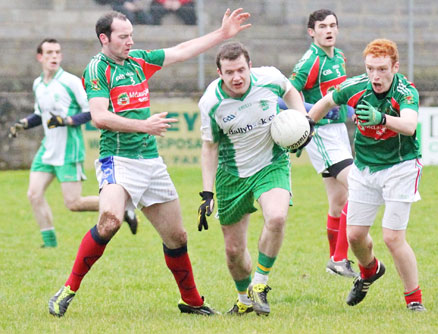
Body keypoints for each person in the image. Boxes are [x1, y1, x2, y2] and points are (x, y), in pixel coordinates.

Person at [48, 9, 251, 317]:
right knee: (110, 221)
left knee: (177, 237)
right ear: (104, 38)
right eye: (123, 37)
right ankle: (68, 290)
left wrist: (222, 35)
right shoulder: (97, 69)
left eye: (131, 35)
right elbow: (100, 117)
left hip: (150, 162)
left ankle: (192, 302)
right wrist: (144, 126)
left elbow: (181, 52)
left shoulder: (138, 61)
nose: (130, 41)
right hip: (117, 159)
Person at [308, 38, 425, 311]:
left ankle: (414, 300)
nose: (376, 75)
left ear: (395, 66)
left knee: (393, 238)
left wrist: (381, 118)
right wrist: (305, 126)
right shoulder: (356, 86)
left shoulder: (406, 91)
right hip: (364, 168)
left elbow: (409, 125)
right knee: (355, 237)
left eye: (382, 69)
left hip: (401, 167)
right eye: (371, 68)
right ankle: (370, 271)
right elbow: (326, 101)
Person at [197, 41, 313, 316]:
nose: (236, 77)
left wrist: (302, 122)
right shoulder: (211, 103)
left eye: (241, 70)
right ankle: (244, 299)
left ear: (250, 66)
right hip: (232, 174)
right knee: (234, 251)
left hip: (271, 164)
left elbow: (290, 90)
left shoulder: (270, 78)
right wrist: (207, 193)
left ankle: (260, 285)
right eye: (229, 72)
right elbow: (209, 147)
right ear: (219, 73)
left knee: (276, 217)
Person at [8, 38, 138, 248]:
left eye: (57, 52)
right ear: (40, 57)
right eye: (49, 53)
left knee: (74, 203)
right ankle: (49, 244)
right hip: (47, 149)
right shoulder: (38, 84)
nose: (54, 57)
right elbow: (40, 115)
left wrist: (67, 120)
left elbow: (92, 111)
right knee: (34, 194)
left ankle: (122, 208)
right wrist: (22, 124)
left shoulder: (70, 82)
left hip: (68, 149)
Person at [288, 9, 356, 278]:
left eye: (333, 25)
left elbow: (339, 93)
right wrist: (312, 108)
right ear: (311, 32)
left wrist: (349, 109)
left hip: (339, 131)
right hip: (322, 135)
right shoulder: (309, 62)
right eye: (322, 26)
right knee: (359, 187)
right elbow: (286, 93)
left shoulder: (338, 57)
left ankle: (334, 260)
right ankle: (339, 259)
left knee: (338, 201)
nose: (329, 30)